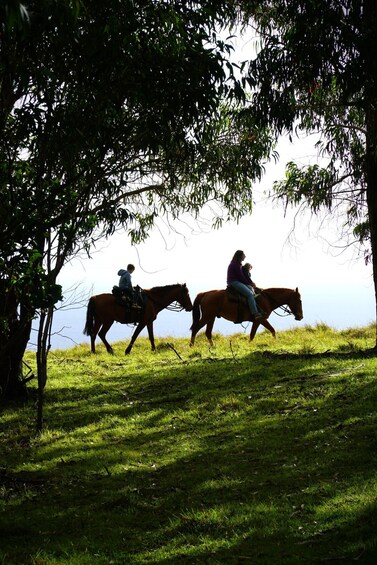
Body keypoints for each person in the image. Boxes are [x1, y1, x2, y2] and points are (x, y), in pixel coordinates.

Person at [227, 250, 264, 320]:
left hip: (237, 281)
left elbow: (242, 277)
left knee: (251, 290)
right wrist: (250, 283)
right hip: (234, 282)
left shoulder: (237, 264)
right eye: (243, 255)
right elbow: (241, 277)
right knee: (250, 295)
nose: (245, 256)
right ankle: (255, 313)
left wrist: (250, 284)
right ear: (240, 256)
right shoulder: (236, 264)